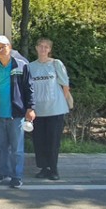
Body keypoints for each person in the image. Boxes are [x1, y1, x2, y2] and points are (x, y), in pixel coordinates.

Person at [0, 35, 36, 189]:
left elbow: (29, 88)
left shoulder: (21, 65)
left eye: (3, 47)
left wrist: (31, 107)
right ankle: (2, 173)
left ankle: (16, 176)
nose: (0, 50)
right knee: (1, 147)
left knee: (16, 149)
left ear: (9, 47)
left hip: (16, 114)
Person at [29, 37, 71, 181]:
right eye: (40, 46)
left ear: (50, 49)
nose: (43, 49)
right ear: (36, 48)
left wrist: (60, 101)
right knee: (39, 141)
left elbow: (65, 85)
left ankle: (53, 169)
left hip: (55, 110)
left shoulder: (56, 64)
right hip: (38, 111)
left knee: (53, 141)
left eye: (46, 47)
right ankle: (43, 168)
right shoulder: (30, 66)